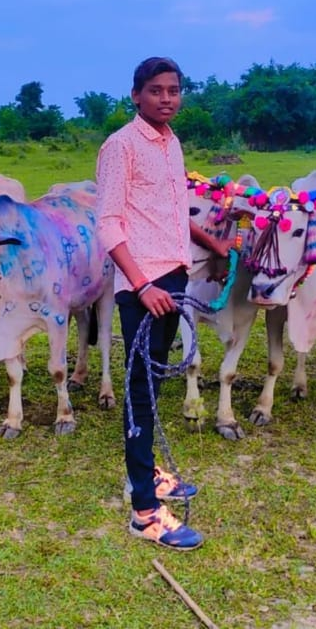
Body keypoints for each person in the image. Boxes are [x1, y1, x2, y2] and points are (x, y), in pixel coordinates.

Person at [95, 56, 233, 550]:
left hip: (173, 276)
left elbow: (171, 211)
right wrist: (141, 286)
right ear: (136, 95)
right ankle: (144, 512)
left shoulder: (172, 144)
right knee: (140, 391)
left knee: (152, 385)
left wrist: (213, 244)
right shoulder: (120, 146)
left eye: (173, 90)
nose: (166, 99)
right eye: (156, 90)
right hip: (144, 285)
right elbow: (109, 223)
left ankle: (148, 472)